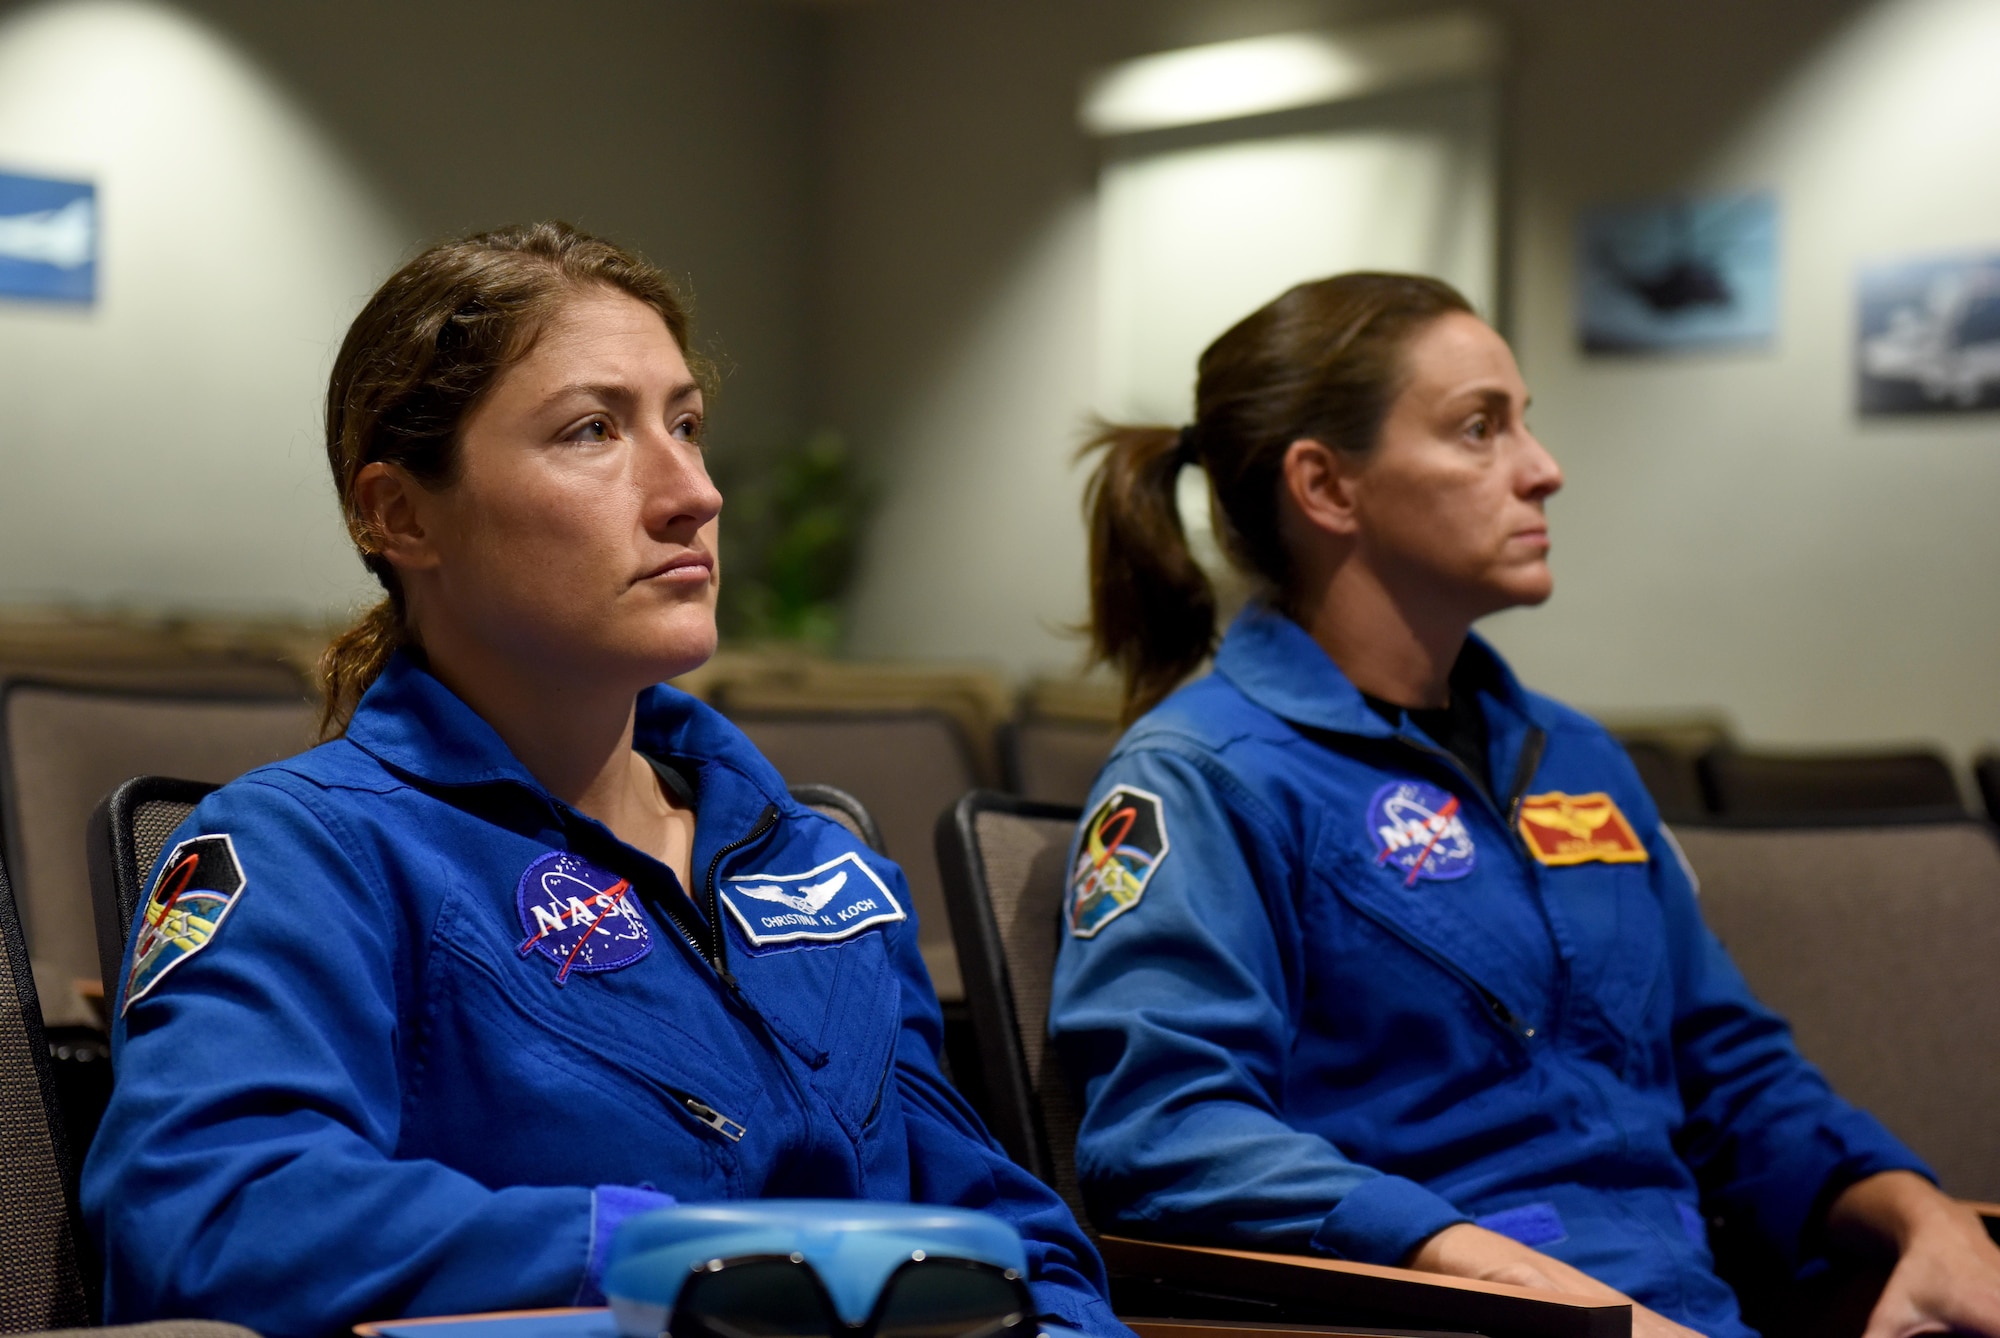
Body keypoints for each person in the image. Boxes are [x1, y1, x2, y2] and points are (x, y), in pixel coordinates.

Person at [83, 222, 1125, 1338]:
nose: (692, 493)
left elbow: (1005, 1232)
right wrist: (663, 1254)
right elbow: (209, 1214)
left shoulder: (817, 862)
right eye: (591, 431)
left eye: (686, 425)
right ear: (398, 515)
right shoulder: (305, 852)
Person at [1047, 272, 2000, 1338]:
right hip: (1444, 1316)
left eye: (1523, 426)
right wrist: (1466, 1260)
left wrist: (1925, 1221)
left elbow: (1732, 1075)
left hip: (1687, 1310)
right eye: (1477, 430)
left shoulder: (1574, 760)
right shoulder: (1206, 772)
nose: (1541, 471)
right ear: (1326, 488)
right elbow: (1165, 1125)